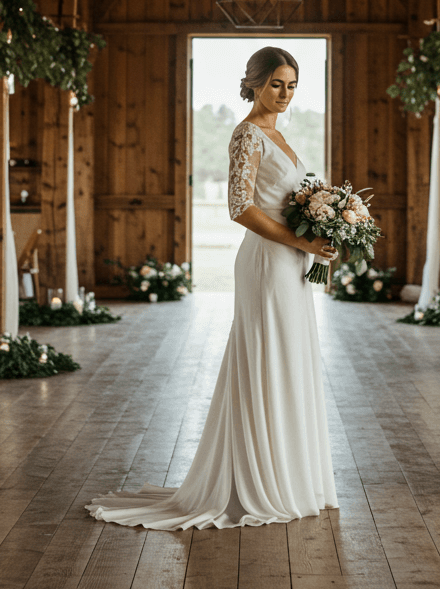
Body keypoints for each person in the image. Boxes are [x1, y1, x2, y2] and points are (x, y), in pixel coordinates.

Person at [86, 45, 338, 530]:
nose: (284, 94)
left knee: (290, 358)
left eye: (291, 85)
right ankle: (258, 480)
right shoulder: (246, 135)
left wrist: (320, 236)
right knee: (268, 356)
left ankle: (291, 476)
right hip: (267, 261)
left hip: (291, 261)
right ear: (254, 84)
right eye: (275, 84)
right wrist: (297, 238)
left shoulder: (280, 136)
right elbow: (240, 207)